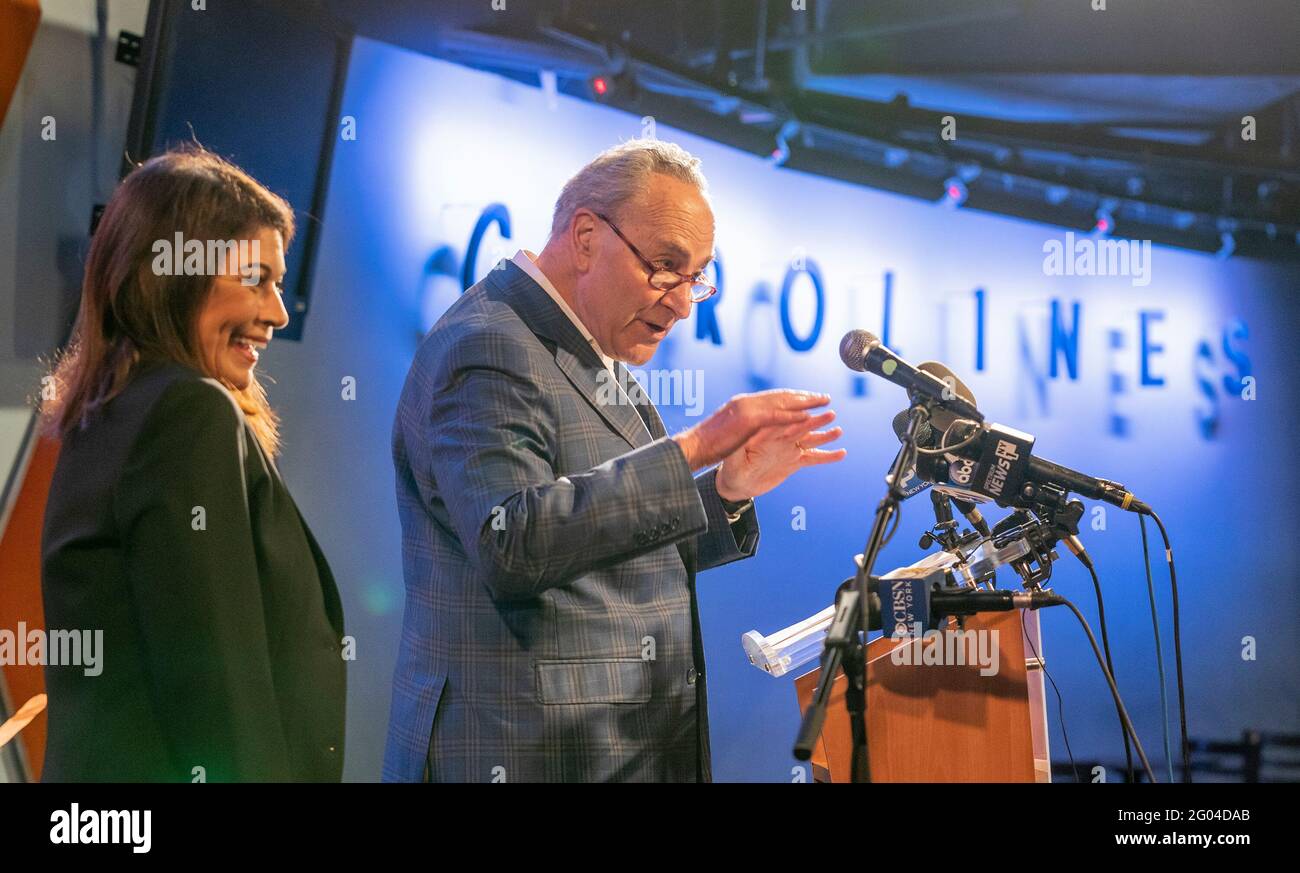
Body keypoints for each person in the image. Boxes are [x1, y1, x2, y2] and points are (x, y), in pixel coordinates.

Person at [384, 139, 845, 782]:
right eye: (664, 266)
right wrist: (692, 449)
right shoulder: (488, 345)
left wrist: (726, 492)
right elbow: (512, 541)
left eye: (697, 277)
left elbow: (607, 548)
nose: (683, 303)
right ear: (585, 237)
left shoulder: (590, 346)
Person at [39, 147, 346, 782]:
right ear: (175, 274)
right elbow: (219, 691)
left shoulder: (111, 408)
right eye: (255, 279)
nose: (278, 314)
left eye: (279, 284)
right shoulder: (187, 412)